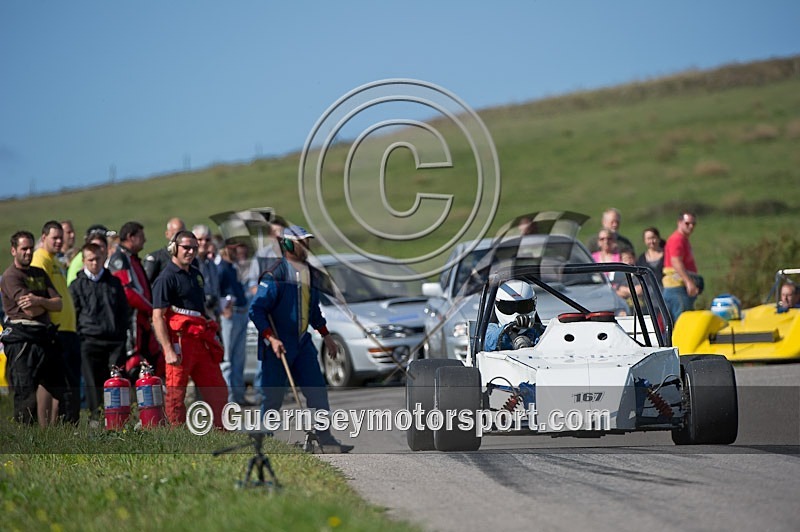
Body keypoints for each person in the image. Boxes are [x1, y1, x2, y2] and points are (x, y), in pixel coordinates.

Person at [249, 225, 353, 453]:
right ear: (287, 244)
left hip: (302, 343)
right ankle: (264, 442)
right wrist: (271, 338)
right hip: (278, 346)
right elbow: (256, 310)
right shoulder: (274, 275)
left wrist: (326, 336)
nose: (306, 246)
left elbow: (313, 310)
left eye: (307, 242)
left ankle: (325, 439)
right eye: (301, 242)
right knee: (273, 397)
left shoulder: (309, 273)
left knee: (317, 391)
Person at [151, 230, 228, 427]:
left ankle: (222, 431)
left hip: (201, 341)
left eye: (194, 248)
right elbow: (158, 317)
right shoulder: (165, 279)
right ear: (174, 248)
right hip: (179, 342)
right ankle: (177, 436)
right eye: (186, 247)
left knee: (217, 389)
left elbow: (200, 310)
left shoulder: (196, 274)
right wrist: (168, 350)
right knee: (176, 394)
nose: (191, 252)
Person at [0, 230, 65, 425]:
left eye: (30, 248)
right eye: (23, 249)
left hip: (44, 336)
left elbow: (59, 304)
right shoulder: (10, 276)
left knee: (58, 388)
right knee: (25, 393)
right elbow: (30, 312)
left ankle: (54, 433)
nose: (28, 252)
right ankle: (24, 440)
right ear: (14, 250)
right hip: (22, 340)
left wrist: (38, 300)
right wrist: (46, 303)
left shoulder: (39, 273)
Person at [69, 242, 130, 427]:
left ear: (103, 259)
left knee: (115, 382)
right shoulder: (76, 285)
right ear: (83, 261)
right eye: (90, 260)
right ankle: (96, 420)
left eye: (97, 259)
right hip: (89, 341)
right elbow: (74, 314)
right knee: (92, 385)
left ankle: (118, 421)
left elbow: (124, 311)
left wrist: (121, 335)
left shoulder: (114, 283)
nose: (94, 263)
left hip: (114, 342)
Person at [31, 220, 81, 424]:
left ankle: (56, 426)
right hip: (54, 330)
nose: (60, 241)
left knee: (63, 382)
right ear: (44, 238)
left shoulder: (56, 261)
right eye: (55, 238)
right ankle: (46, 428)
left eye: (61, 237)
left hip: (68, 329)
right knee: (50, 381)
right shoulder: (39, 260)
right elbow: (36, 294)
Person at [108, 222, 162, 380]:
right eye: (141, 237)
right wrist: (151, 308)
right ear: (131, 237)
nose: (144, 241)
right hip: (131, 321)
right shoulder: (120, 258)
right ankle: (132, 403)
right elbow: (127, 292)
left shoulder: (132, 258)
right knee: (133, 364)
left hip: (143, 320)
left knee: (155, 360)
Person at [217, 242, 249, 404]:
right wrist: (223, 307)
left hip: (241, 312)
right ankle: (229, 400)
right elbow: (216, 291)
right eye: (232, 249)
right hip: (230, 314)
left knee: (239, 358)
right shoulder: (220, 268)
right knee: (228, 358)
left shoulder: (232, 267)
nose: (237, 251)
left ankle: (239, 396)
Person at [662, 211, 701, 322]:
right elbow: (676, 262)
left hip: (677, 288)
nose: (691, 226)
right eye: (687, 223)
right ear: (679, 222)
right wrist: (688, 282)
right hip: (677, 287)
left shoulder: (683, 239)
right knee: (682, 322)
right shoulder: (677, 239)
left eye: (693, 224)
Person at [486, 280, 542, 351]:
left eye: (523, 306)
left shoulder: (536, 330)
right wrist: (508, 330)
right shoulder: (492, 330)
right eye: (509, 307)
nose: (516, 314)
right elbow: (488, 343)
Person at [144, 217, 185, 284]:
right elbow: (145, 285)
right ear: (167, 234)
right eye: (175, 234)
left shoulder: (191, 259)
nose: (179, 238)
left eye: (183, 234)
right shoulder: (156, 259)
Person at [192, 224, 220, 320]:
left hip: (212, 312)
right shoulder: (190, 263)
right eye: (200, 239)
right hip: (196, 312)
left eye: (207, 240)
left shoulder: (211, 263)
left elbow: (216, 289)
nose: (204, 243)